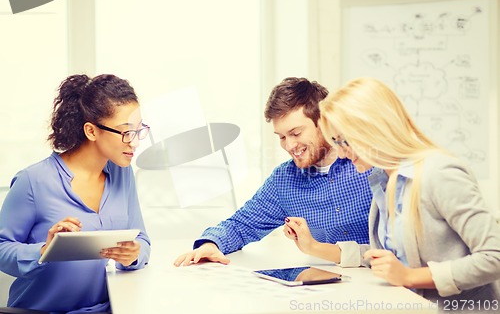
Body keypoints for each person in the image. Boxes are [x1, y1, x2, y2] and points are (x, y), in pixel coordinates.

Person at [314, 76, 500, 306]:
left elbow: (494, 257)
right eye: (336, 143)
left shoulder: (439, 173)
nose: (341, 154)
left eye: (344, 141)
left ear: (373, 129)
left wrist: (409, 277)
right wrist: (315, 248)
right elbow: (392, 258)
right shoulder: (383, 180)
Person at [174, 77, 373, 267]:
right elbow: (242, 224)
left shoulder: (368, 163)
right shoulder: (285, 179)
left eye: (296, 133)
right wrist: (211, 245)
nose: (290, 145)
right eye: (282, 137)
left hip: (383, 280)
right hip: (329, 282)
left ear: (323, 123)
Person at [0, 74, 151, 313]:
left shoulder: (123, 174)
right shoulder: (33, 181)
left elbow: (141, 240)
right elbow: (2, 248)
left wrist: (133, 255)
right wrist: (43, 250)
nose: (134, 143)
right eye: (126, 132)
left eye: (138, 130)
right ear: (91, 131)